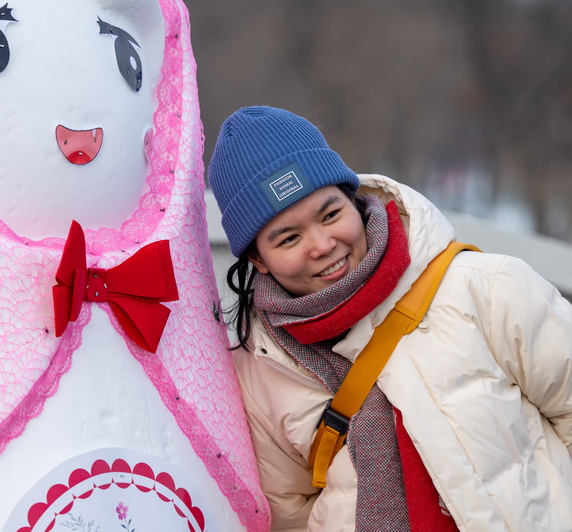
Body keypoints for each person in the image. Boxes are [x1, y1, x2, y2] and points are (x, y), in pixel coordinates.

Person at [207, 105, 572, 531]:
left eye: (330, 214)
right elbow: (288, 515)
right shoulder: (260, 370)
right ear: (258, 259)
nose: (323, 245)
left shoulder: (484, 288)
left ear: (354, 198)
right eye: (289, 238)